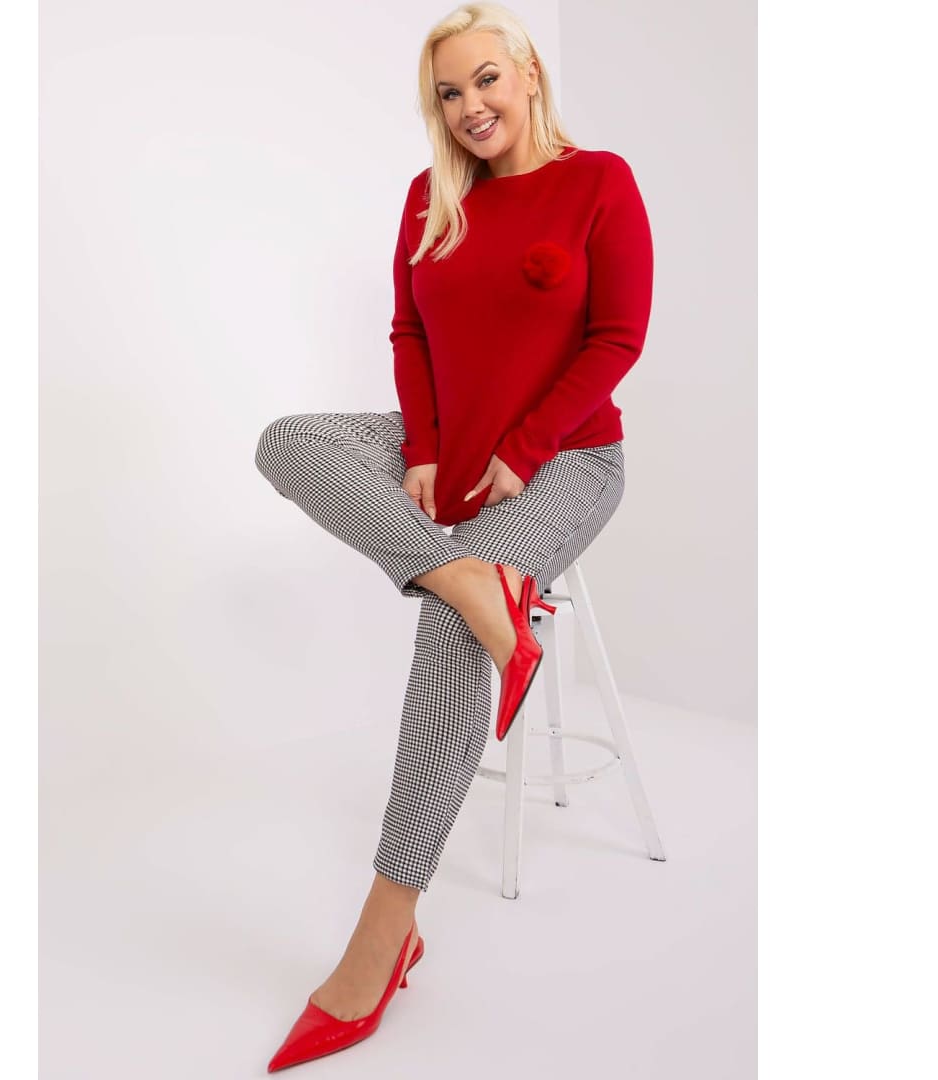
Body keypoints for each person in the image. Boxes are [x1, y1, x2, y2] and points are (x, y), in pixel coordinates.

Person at [256, 3, 653, 1070]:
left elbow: (618, 337)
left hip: (568, 460)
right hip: (452, 445)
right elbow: (409, 330)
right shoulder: (428, 197)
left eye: (484, 79)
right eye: (448, 92)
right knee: (291, 442)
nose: (469, 105)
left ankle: (385, 932)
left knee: (443, 630)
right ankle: (484, 592)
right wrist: (426, 449)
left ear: (527, 73)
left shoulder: (598, 181)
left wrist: (520, 451)